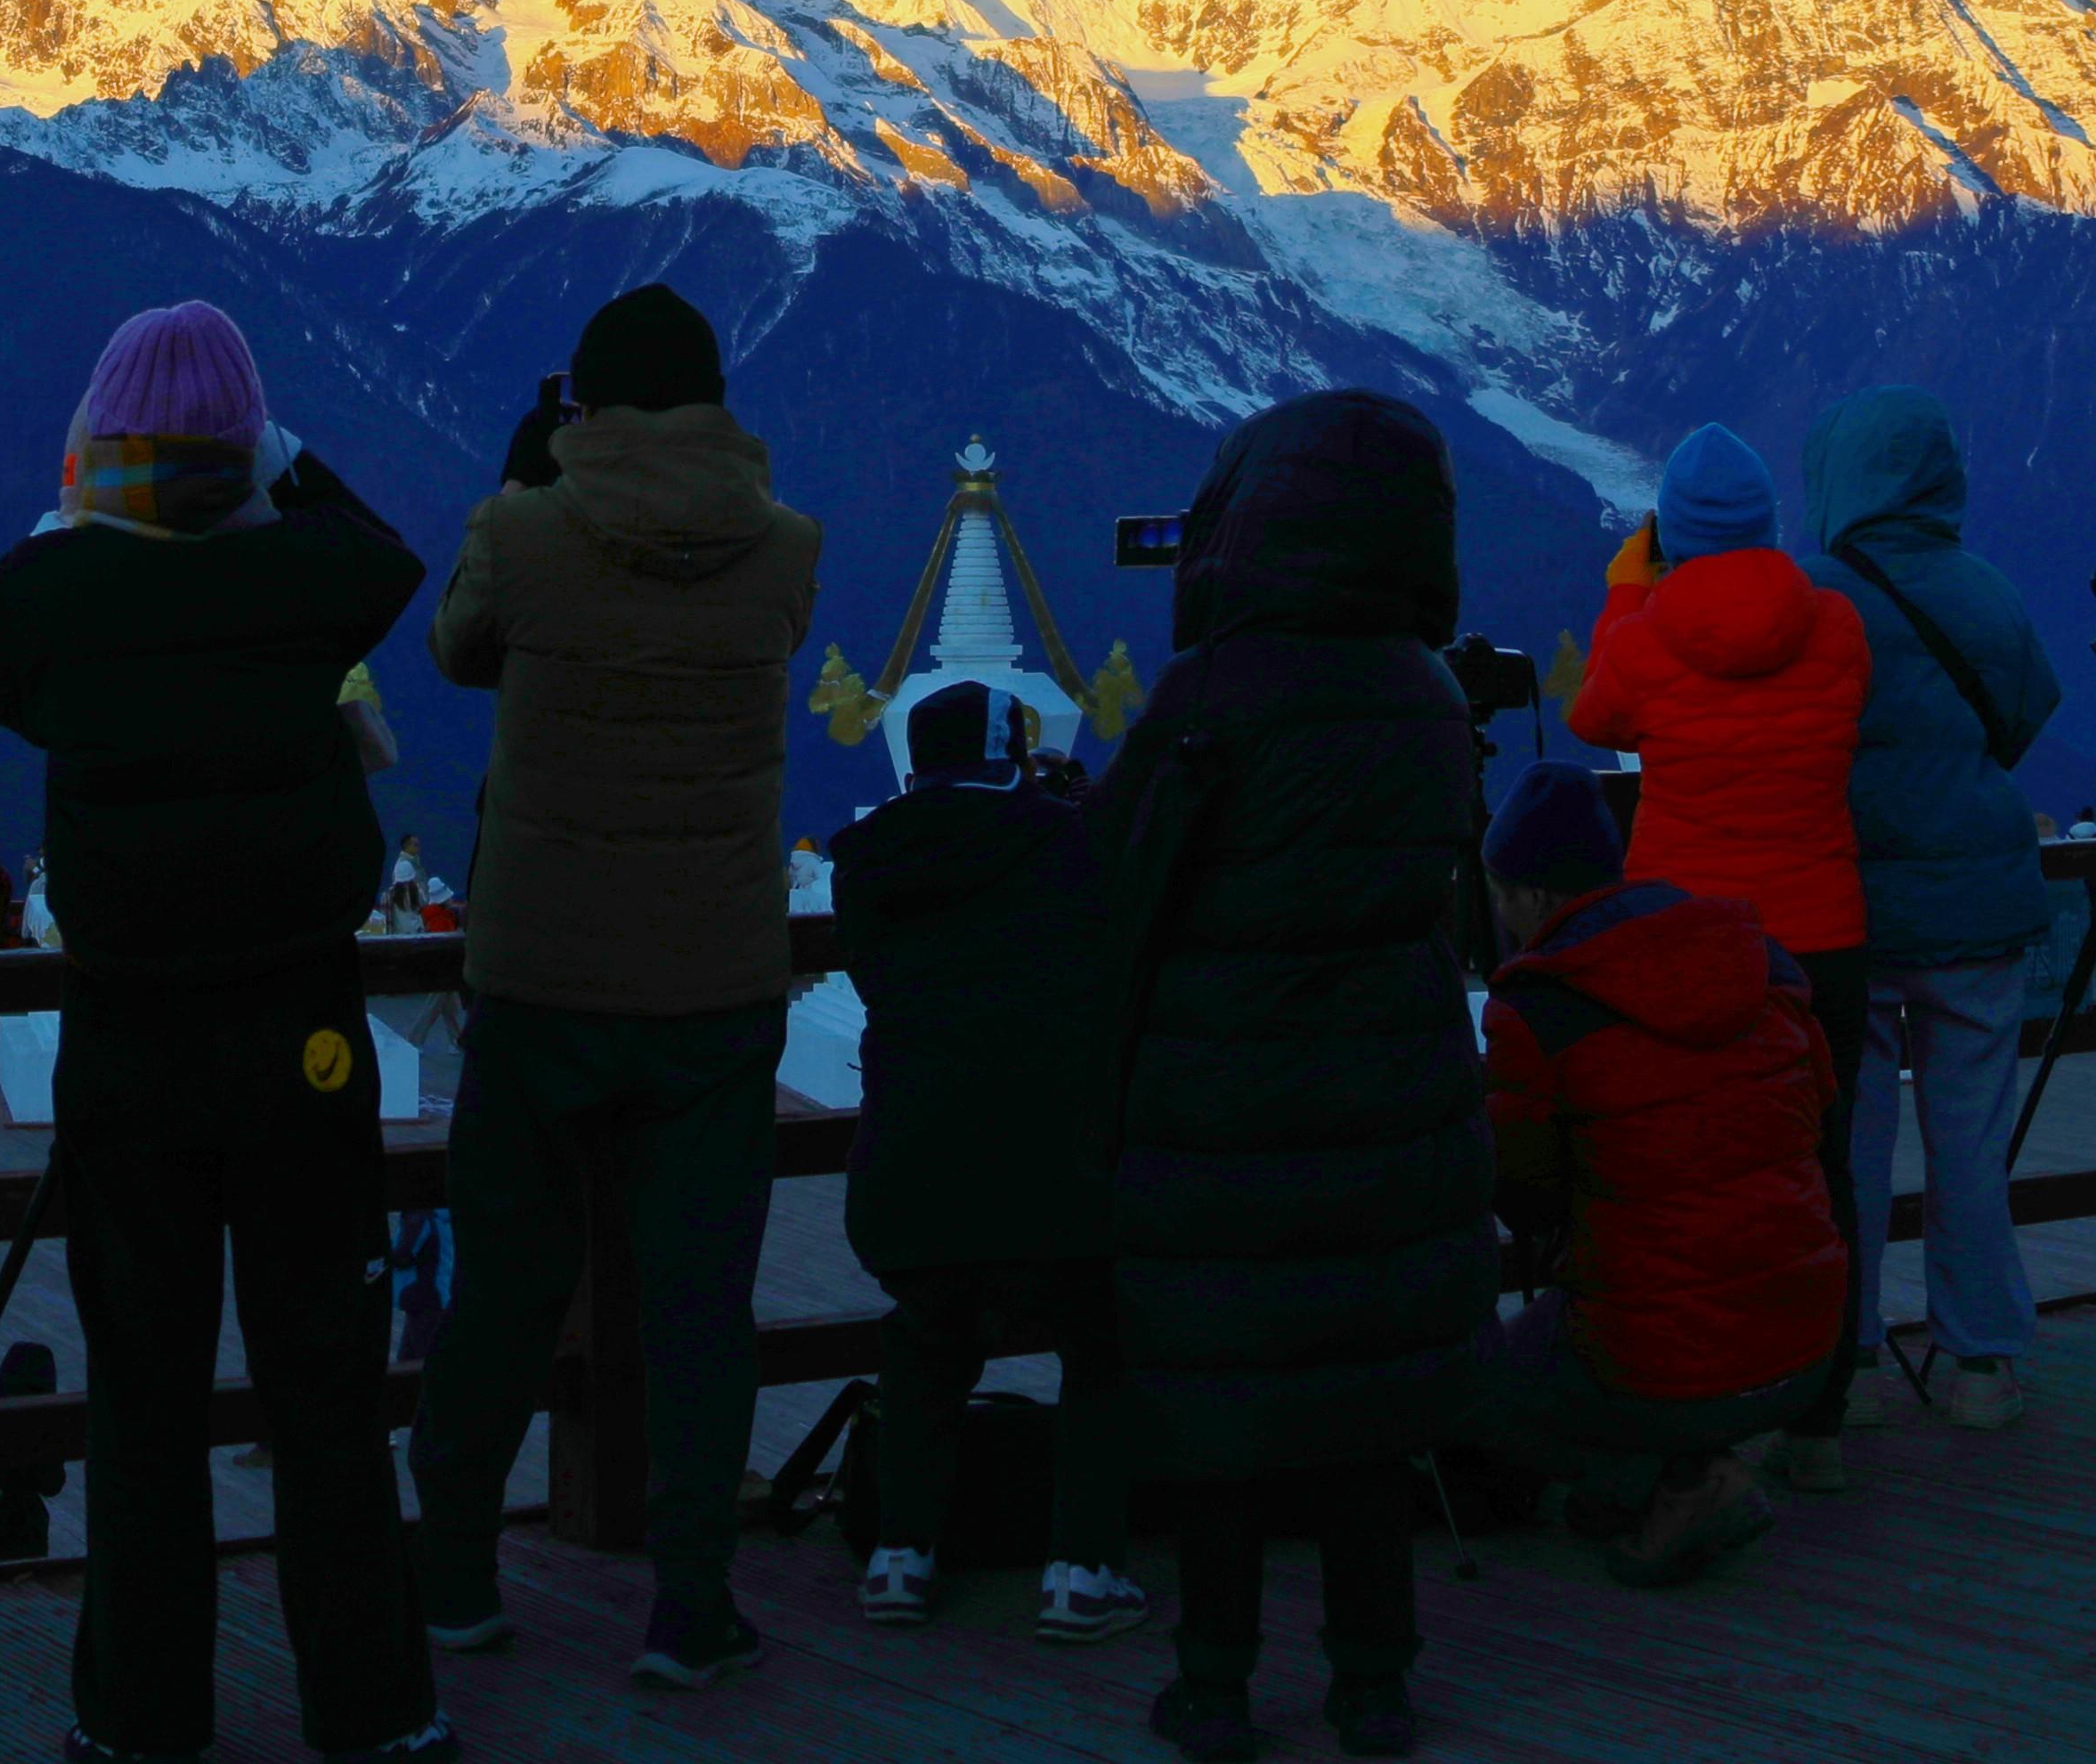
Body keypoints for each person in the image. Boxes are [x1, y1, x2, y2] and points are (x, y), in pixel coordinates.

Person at [0, 300, 450, 1764]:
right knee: (327, 1388)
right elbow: (388, 557)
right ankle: (373, 1713)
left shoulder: (55, 594)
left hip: (128, 1039)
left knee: (143, 1397)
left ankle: (140, 1720)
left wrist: (76, 511)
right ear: (248, 444)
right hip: (301, 1036)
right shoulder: (305, 580)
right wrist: (276, 458)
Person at [401, 285, 823, 1694]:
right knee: (700, 1307)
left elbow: (458, 653)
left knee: (503, 1297)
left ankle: (455, 1575)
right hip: (714, 985)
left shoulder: (524, 534)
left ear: (584, 403)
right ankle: (690, 1603)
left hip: (540, 976)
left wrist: (522, 484)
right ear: (716, 401)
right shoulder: (785, 552)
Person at [1094, 391, 1489, 1764]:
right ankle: (1374, 1684)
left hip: (1222, 1104)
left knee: (1226, 1408)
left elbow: (1117, 875)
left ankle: (1213, 1685)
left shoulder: (1212, 696)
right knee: (1366, 1413)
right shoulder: (1431, 695)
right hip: (1389, 1094)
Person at [1565, 420, 1870, 1488]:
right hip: (1822, 936)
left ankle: (1701, 1419)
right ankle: (1820, 1418)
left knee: (1688, 1176)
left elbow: (1595, 713)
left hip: (1687, 940)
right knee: (1820, 1171)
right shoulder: (1837, 625)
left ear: (1674, 535)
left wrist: (1627, 597)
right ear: (1771, 523)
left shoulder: (1646, 636)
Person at [1454, 762, 1843, 1589]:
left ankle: (1676, 1483)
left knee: (1480, 1385)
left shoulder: (1539, 1007)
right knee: (1659, 1297)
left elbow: (1526, 1196)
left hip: (1668, 1359)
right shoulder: (1760, 961)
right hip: (1810, 1346)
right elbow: (1820, 1108)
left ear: (1531, 896)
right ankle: (1672, 1474)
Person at [825, 680, 1144, 1645]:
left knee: (928, 1336)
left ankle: (900, 1554)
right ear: (1014, 759)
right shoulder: (1071, 840)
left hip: (909, 1160)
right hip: (1060, 1162)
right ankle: (1083, 1568)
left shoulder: (864, 859)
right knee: (1099, 1343)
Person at [1801, 385, 2068, 1429]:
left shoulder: (1809, 595)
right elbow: (2025, 715)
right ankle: (1982, 1362)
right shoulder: (1986, 589)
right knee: (1971, 1144)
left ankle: (1851, 1358)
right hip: (1978, 905)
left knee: (1848, 1148)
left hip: (1849, 905)